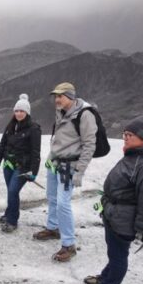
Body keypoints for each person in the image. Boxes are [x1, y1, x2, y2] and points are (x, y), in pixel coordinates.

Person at [84, 116, 143, 284]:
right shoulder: (136, 155)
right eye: (125, 134)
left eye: (130, 134)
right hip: (115, 214)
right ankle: (105, 278)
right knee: (114, 252)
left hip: (124, 218)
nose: (125, 138)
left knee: (118, 255)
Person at [33, 82, 97, 262]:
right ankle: (53, 227)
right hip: (55, 163)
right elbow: (60, 138)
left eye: (60, 96)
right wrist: (50, 156)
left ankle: (69, 244)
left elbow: (89, 145)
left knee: (63, 203)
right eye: (55, 96)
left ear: (70, 96)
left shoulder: (85, 115)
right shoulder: (62, 111)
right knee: (51, 197)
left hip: (69, 166)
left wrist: (80, 172)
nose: (56, 99)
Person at [0, 94, 41, 232]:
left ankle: (12, 221)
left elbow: (35, 152)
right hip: (8, 164)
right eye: (17, 111)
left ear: (27, 112)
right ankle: (9, 214)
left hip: (23, 167)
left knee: (13, 191)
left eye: (22, 111)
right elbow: (3, 144)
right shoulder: (10, 126)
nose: (19, 113)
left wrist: (34, 171)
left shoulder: (33, 128)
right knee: (11, 192)